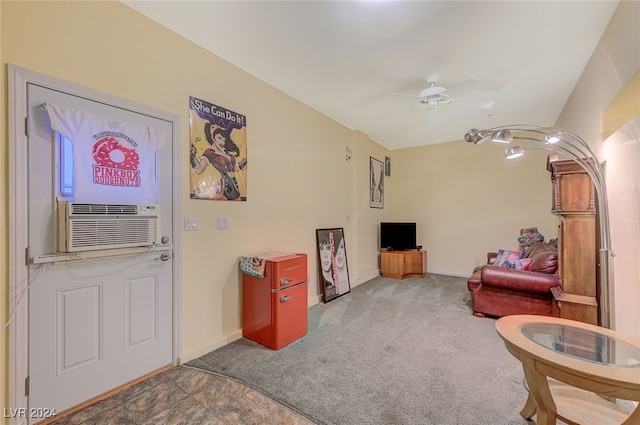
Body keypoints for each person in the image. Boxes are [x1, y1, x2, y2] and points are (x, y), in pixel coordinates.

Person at [191, 124, 246, 200]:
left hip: (234, 184)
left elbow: (236, 169)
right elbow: (199, 169)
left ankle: (202, 194)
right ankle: (201, 194)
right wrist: (192, 156)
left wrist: (246, 160)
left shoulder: (226, 153)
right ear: (213, 138)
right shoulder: (210, 152)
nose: (222, 142)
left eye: (224, 140)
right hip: (225, 185)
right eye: (219, 138)